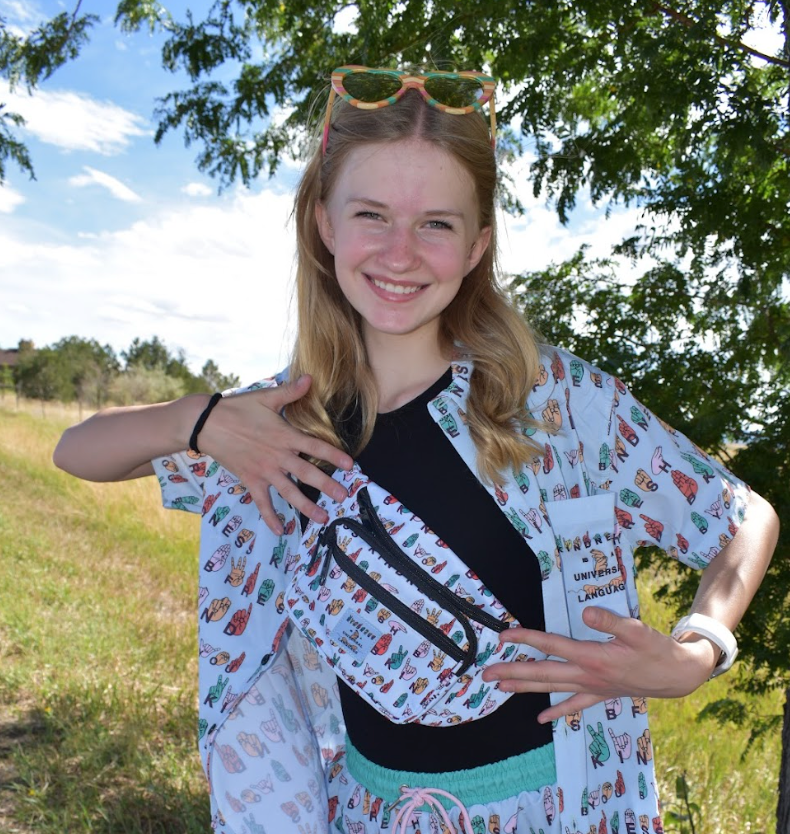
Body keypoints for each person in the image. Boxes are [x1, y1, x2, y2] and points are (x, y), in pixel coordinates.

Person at [54, 66, 779, 834]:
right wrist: (196, 420)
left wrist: (699, 649)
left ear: (476, 247)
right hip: (367, 813)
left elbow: (741, 518)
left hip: (561, 810)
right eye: (371, 214)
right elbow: (77, 451)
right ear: (325, 224)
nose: (400, 254)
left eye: (436, 223)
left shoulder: (555, 402)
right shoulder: (282, 422)